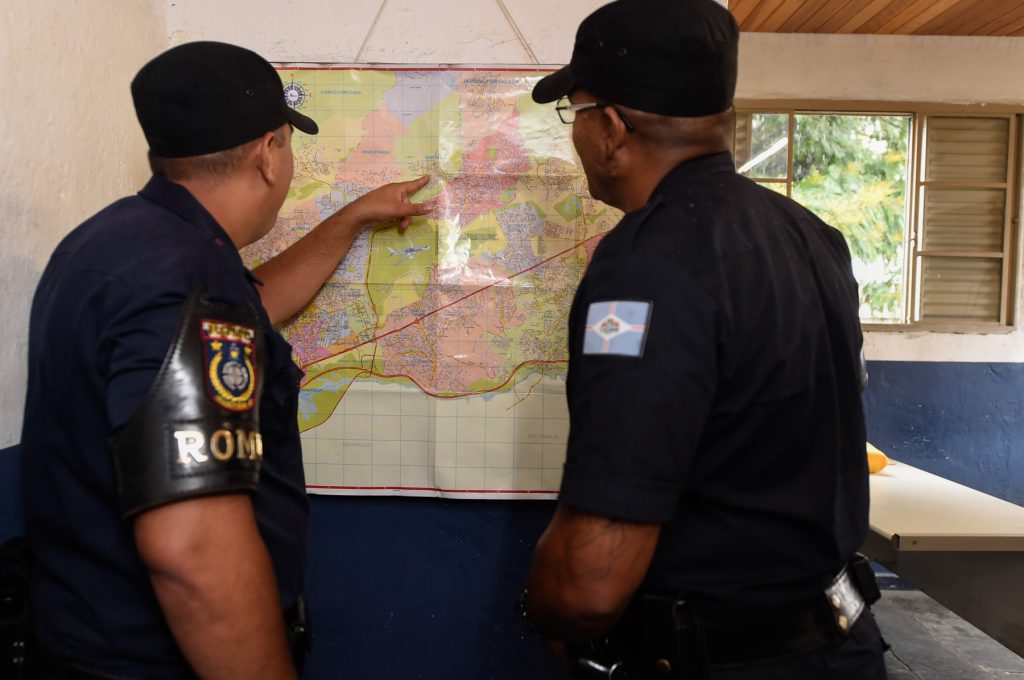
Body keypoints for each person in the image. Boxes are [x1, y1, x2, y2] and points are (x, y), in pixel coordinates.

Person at [20, 41, 431, 679]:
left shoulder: (118, 242)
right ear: (269, 152)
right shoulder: (187, 279)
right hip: (155, 661)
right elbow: (193, 549)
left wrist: (351, 218)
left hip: (81, 639)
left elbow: (247, 308)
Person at [521, 1, 887, 678]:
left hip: (726, 660)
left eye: (576, 112)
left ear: (611, 128)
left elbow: (591, 583)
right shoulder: (811, 236)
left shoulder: (646, 265)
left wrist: (552, 609)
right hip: (841, 645)